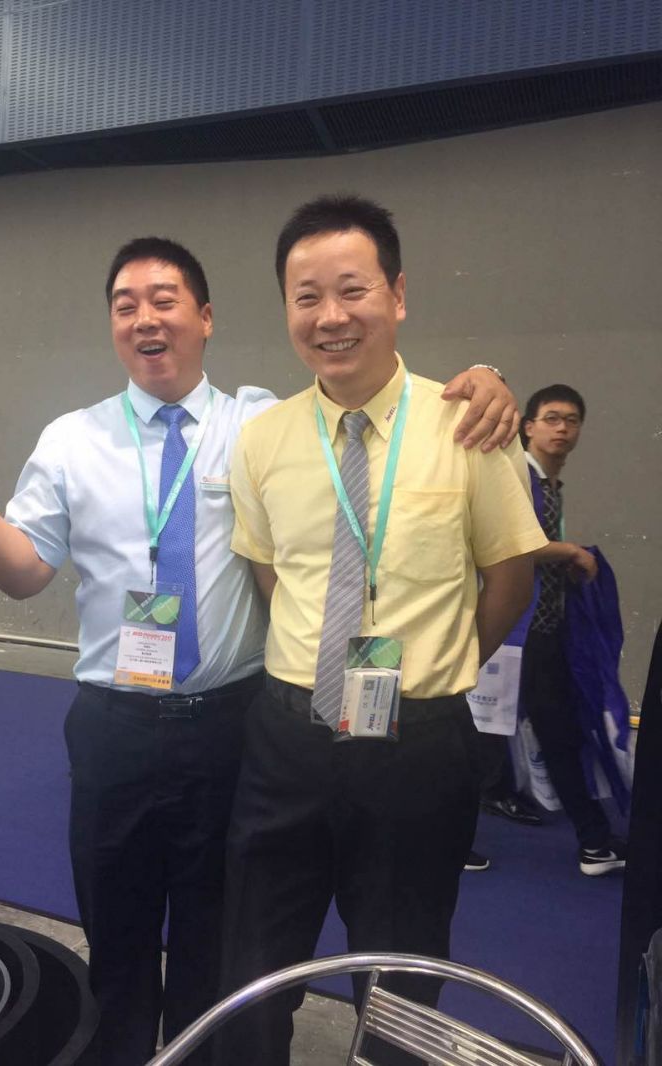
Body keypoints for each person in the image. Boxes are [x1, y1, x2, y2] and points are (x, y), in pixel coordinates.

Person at [0, 235, 522, 1065]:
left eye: (164, 300)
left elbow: (357, 386)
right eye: (126, 305)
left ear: (205, 318)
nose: (145, 319)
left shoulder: (257, 423)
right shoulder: (71, 439)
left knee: (222, 943)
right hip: (114, 727)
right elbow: (24, 574)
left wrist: (488, 375)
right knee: (118, 932)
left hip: (228, 729)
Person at [218, 194, 547, 1066]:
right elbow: (270, 575)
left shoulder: (471, 426)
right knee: (253, 960)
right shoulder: (262, 441)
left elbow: (511, 576)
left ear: (398, 294)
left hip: (419, 745)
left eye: (352, 290)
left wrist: (441, 669)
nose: (330, 316)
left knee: (403, 978)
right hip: (286, 739)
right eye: (306, 297)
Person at [518, 384, 627, 875]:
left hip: (543, 632)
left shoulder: (547, 483)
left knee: (554, 731)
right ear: (529, 426)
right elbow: (510, 545)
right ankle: (593, 842)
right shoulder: (518, 478)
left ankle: (593, 839)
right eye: (552, 418)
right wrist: (571, 552)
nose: (562, 428)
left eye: (572, 420)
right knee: (553, 733)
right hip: (518, 634)